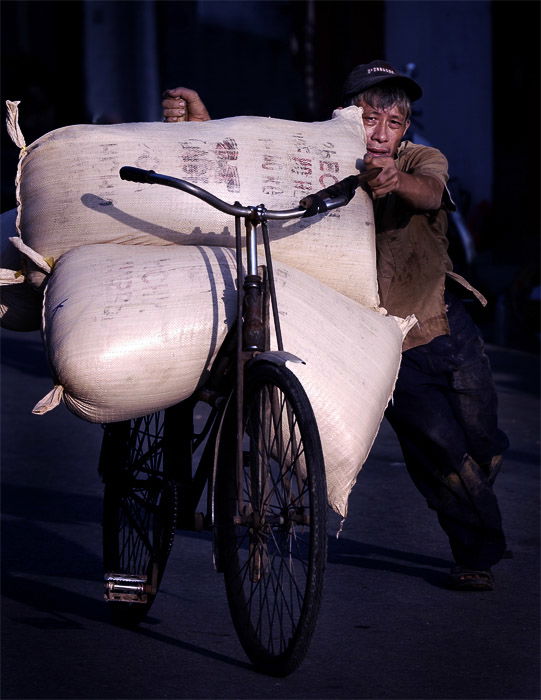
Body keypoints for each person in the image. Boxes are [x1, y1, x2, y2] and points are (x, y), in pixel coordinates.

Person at [161, 61, 509, 591]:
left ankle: (477, 489)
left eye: (393, 122)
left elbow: (431, 191)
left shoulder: (419, 160)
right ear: (344, 117)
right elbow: (255, 157)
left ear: (406, 130)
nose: (380, 133)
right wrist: (206, 127)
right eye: (370, 118)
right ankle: (476, 550)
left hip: (443, 321)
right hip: (385, 339)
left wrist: (397, 181)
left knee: (482, 442)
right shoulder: (317, 160)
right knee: (440, 449)